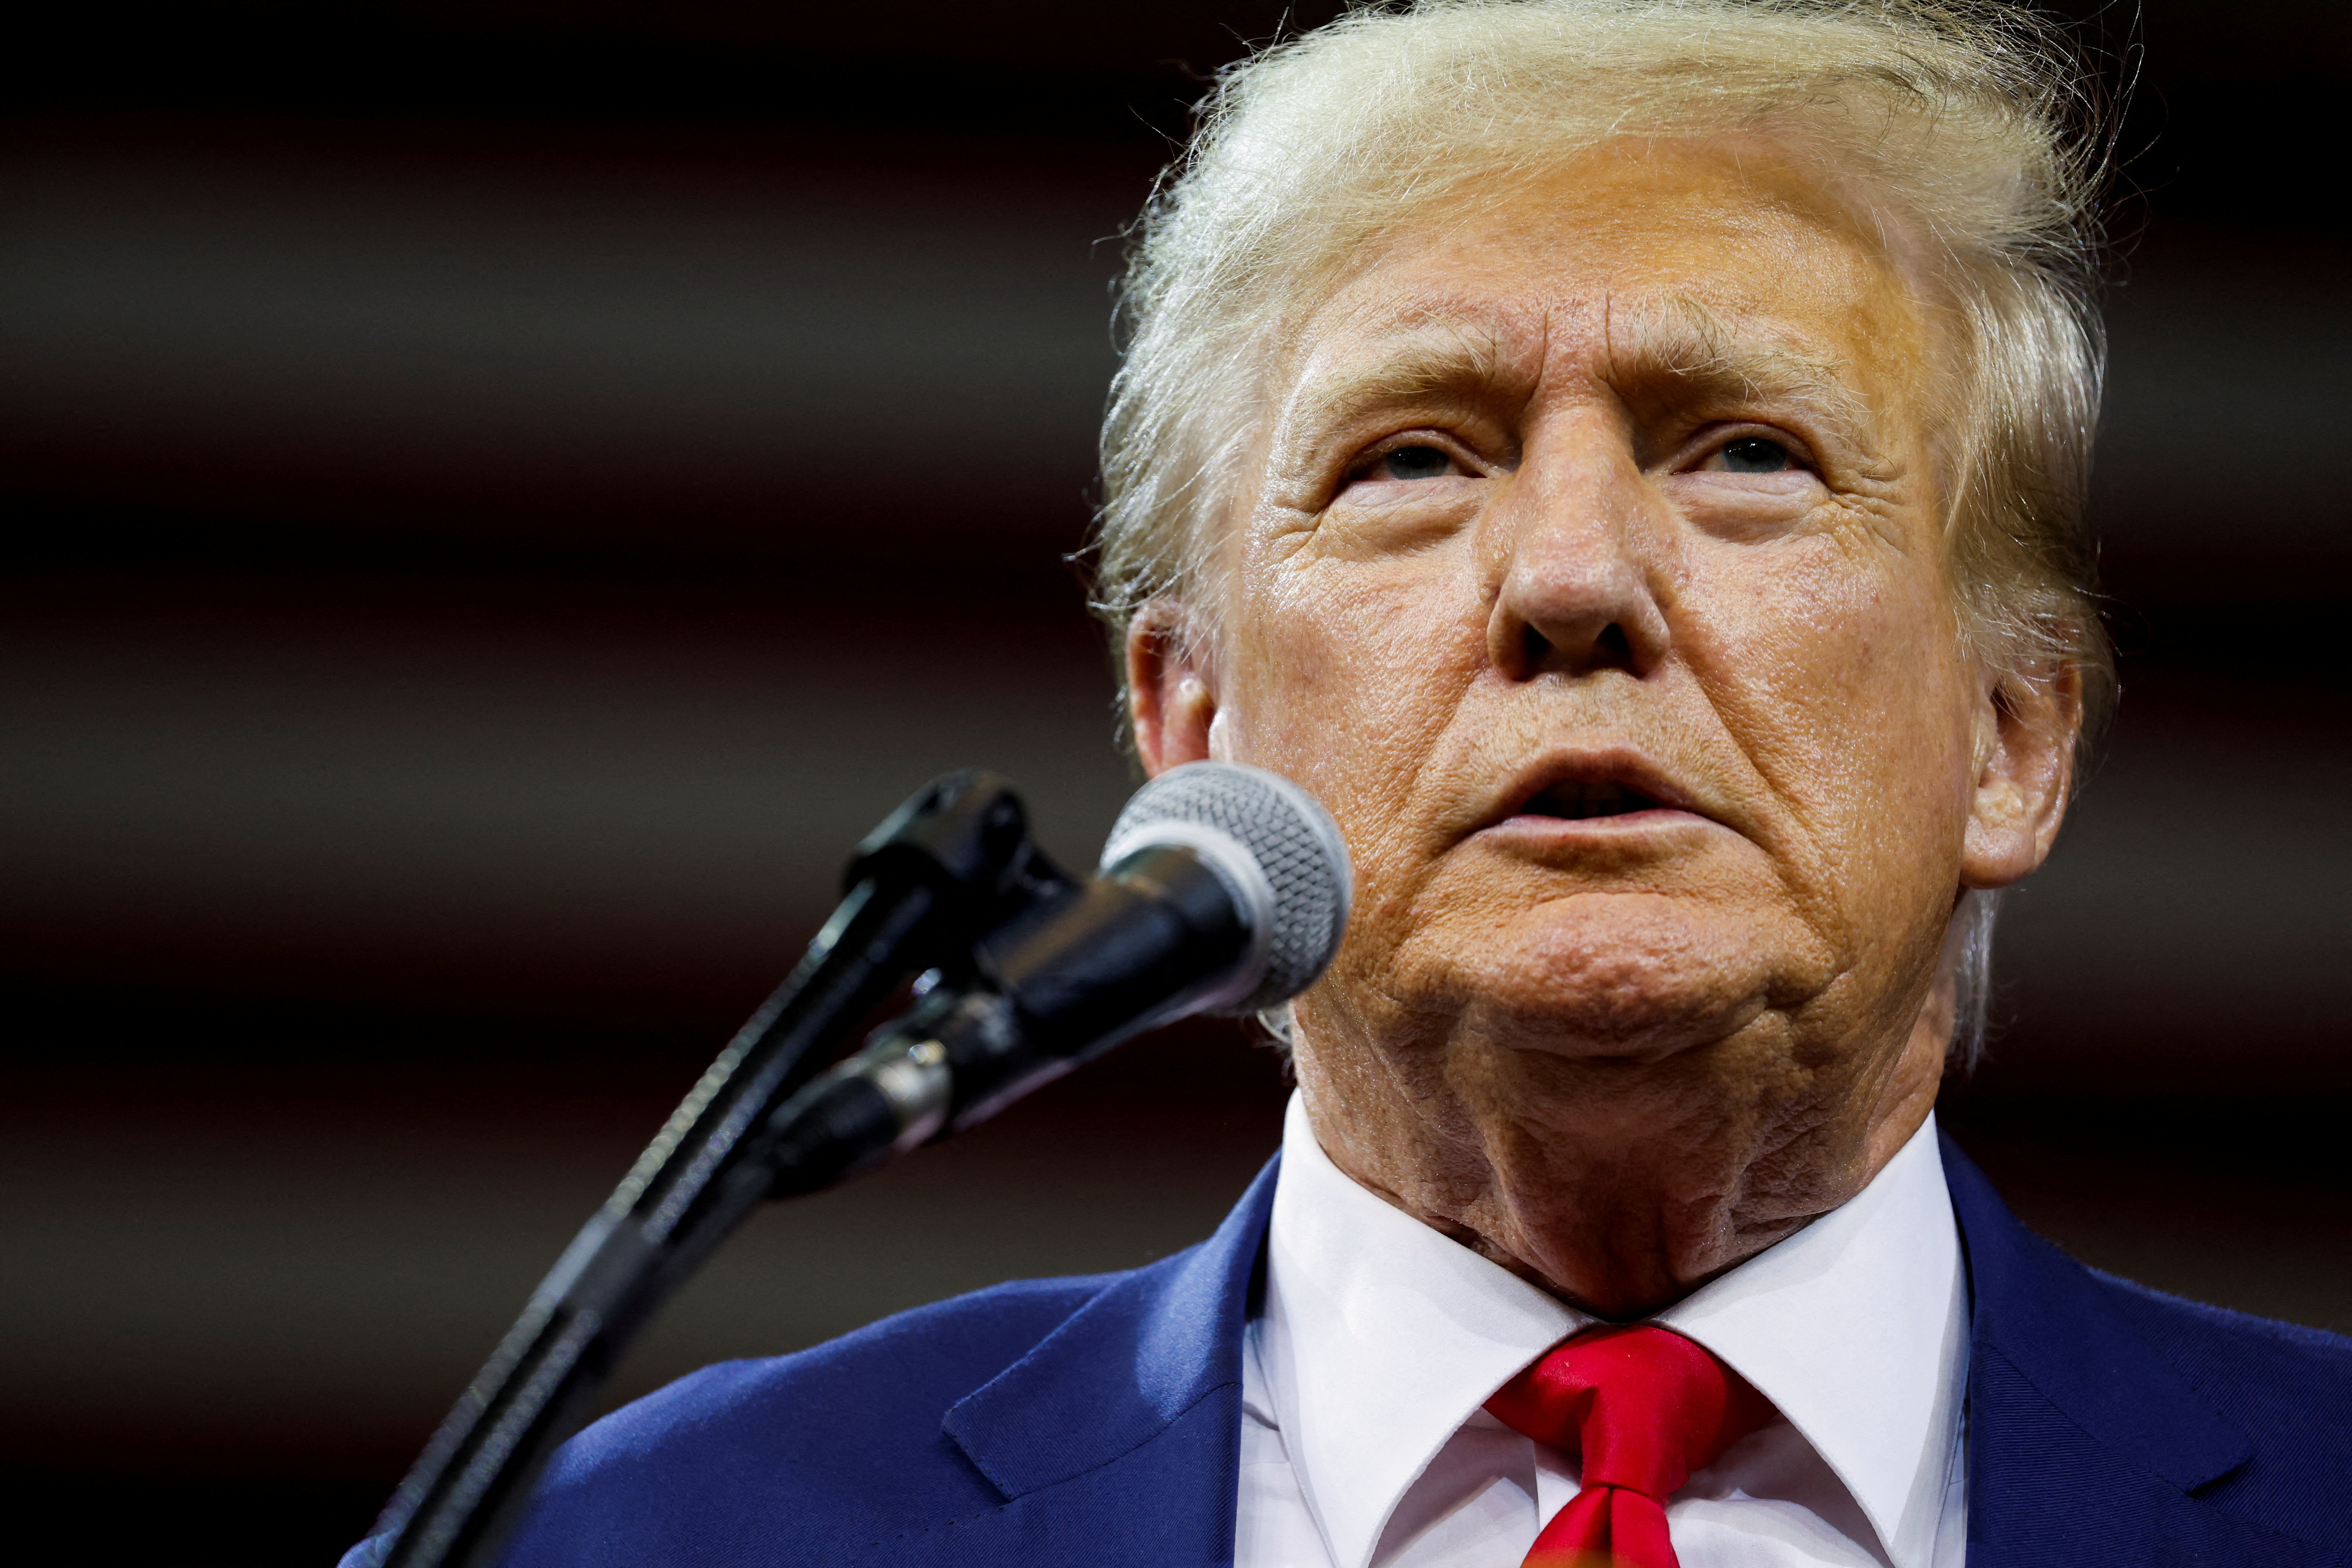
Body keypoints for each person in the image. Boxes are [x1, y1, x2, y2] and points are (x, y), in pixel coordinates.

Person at [378, 3, 2352, 1565]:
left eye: (1746, 449)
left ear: (2014, 733)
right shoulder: (651, 1537)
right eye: (1411, 459)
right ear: (1190, 725)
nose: (1571, 577)